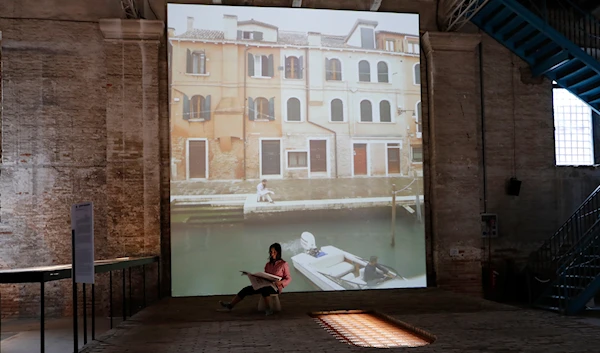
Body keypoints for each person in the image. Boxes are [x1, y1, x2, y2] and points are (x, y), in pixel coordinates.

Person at [219, 243, 291, 316]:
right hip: (265, 284)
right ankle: (230, 305)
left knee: (265, 289)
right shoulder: (268, 264)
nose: (272, 254)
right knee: (246, 289)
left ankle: (268, 309)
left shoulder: (284, 264)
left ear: (278, 252)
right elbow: (266, 276)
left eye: (274, 252)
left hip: (276, 287)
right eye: (271, 252)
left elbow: (288, 278)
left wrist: (281, 282)